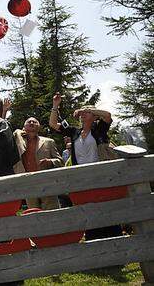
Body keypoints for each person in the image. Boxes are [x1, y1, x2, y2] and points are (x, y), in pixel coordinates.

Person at [49, 93, 120, 240]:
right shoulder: (74, 132)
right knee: (87, 208)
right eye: (82, 114)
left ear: (94, 117)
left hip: (100, 176)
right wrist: (55, 106)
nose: (82, 115)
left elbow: (107, 115)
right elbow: (53, 124)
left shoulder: (99, 130)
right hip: (81, 178)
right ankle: (93, 240)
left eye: (86, 114)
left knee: (105, 207)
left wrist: (89, 110)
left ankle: (114, 239)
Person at [13, 117, 63, 210]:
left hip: (47, 182)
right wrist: (20, 132)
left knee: (53, 212)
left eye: (35, 122)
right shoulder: (18, 142)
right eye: (29, 122)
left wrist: (50, 162)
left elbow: (60, 162)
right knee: (33, 213)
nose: (32, 123)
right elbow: (14, 132)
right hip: (28, 183)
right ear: (24, 127)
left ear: (39, 126)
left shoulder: (49, 142)